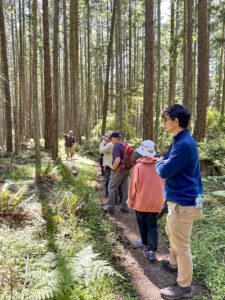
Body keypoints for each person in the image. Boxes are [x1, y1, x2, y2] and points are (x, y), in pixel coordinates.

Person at [155, 104, 203, 300]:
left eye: (165, 120)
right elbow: (167, 161)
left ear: (176, 121)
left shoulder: (184, 144)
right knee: (172, 232)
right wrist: (164, 161)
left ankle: (184, 286)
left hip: (185, 202)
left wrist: (159, 161)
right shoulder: (179, 140)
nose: (164, 123)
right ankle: (174, 264)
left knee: (182, 245)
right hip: (180, 199)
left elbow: (164, 170)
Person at [127, 140, 164, 261]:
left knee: (142, 223)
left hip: (141, 201)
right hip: (156, 201)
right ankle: (152, 250)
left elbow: (133, 185)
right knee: (152, 224)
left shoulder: (138, 166)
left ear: (142, 153)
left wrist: (130, 200)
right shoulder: (160, 165)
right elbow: (164, 183)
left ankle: (144, 243)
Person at [102, 132, 129, 214]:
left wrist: (113, 169)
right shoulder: (125, 144)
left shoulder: (117, 146)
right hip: (126, 169)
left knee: (111, 188)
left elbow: (117, 160)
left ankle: (110, 208)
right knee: (125, 189)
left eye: (111, 138)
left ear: (114, 138)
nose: (110, 139)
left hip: (119, 169)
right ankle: (125, 207)